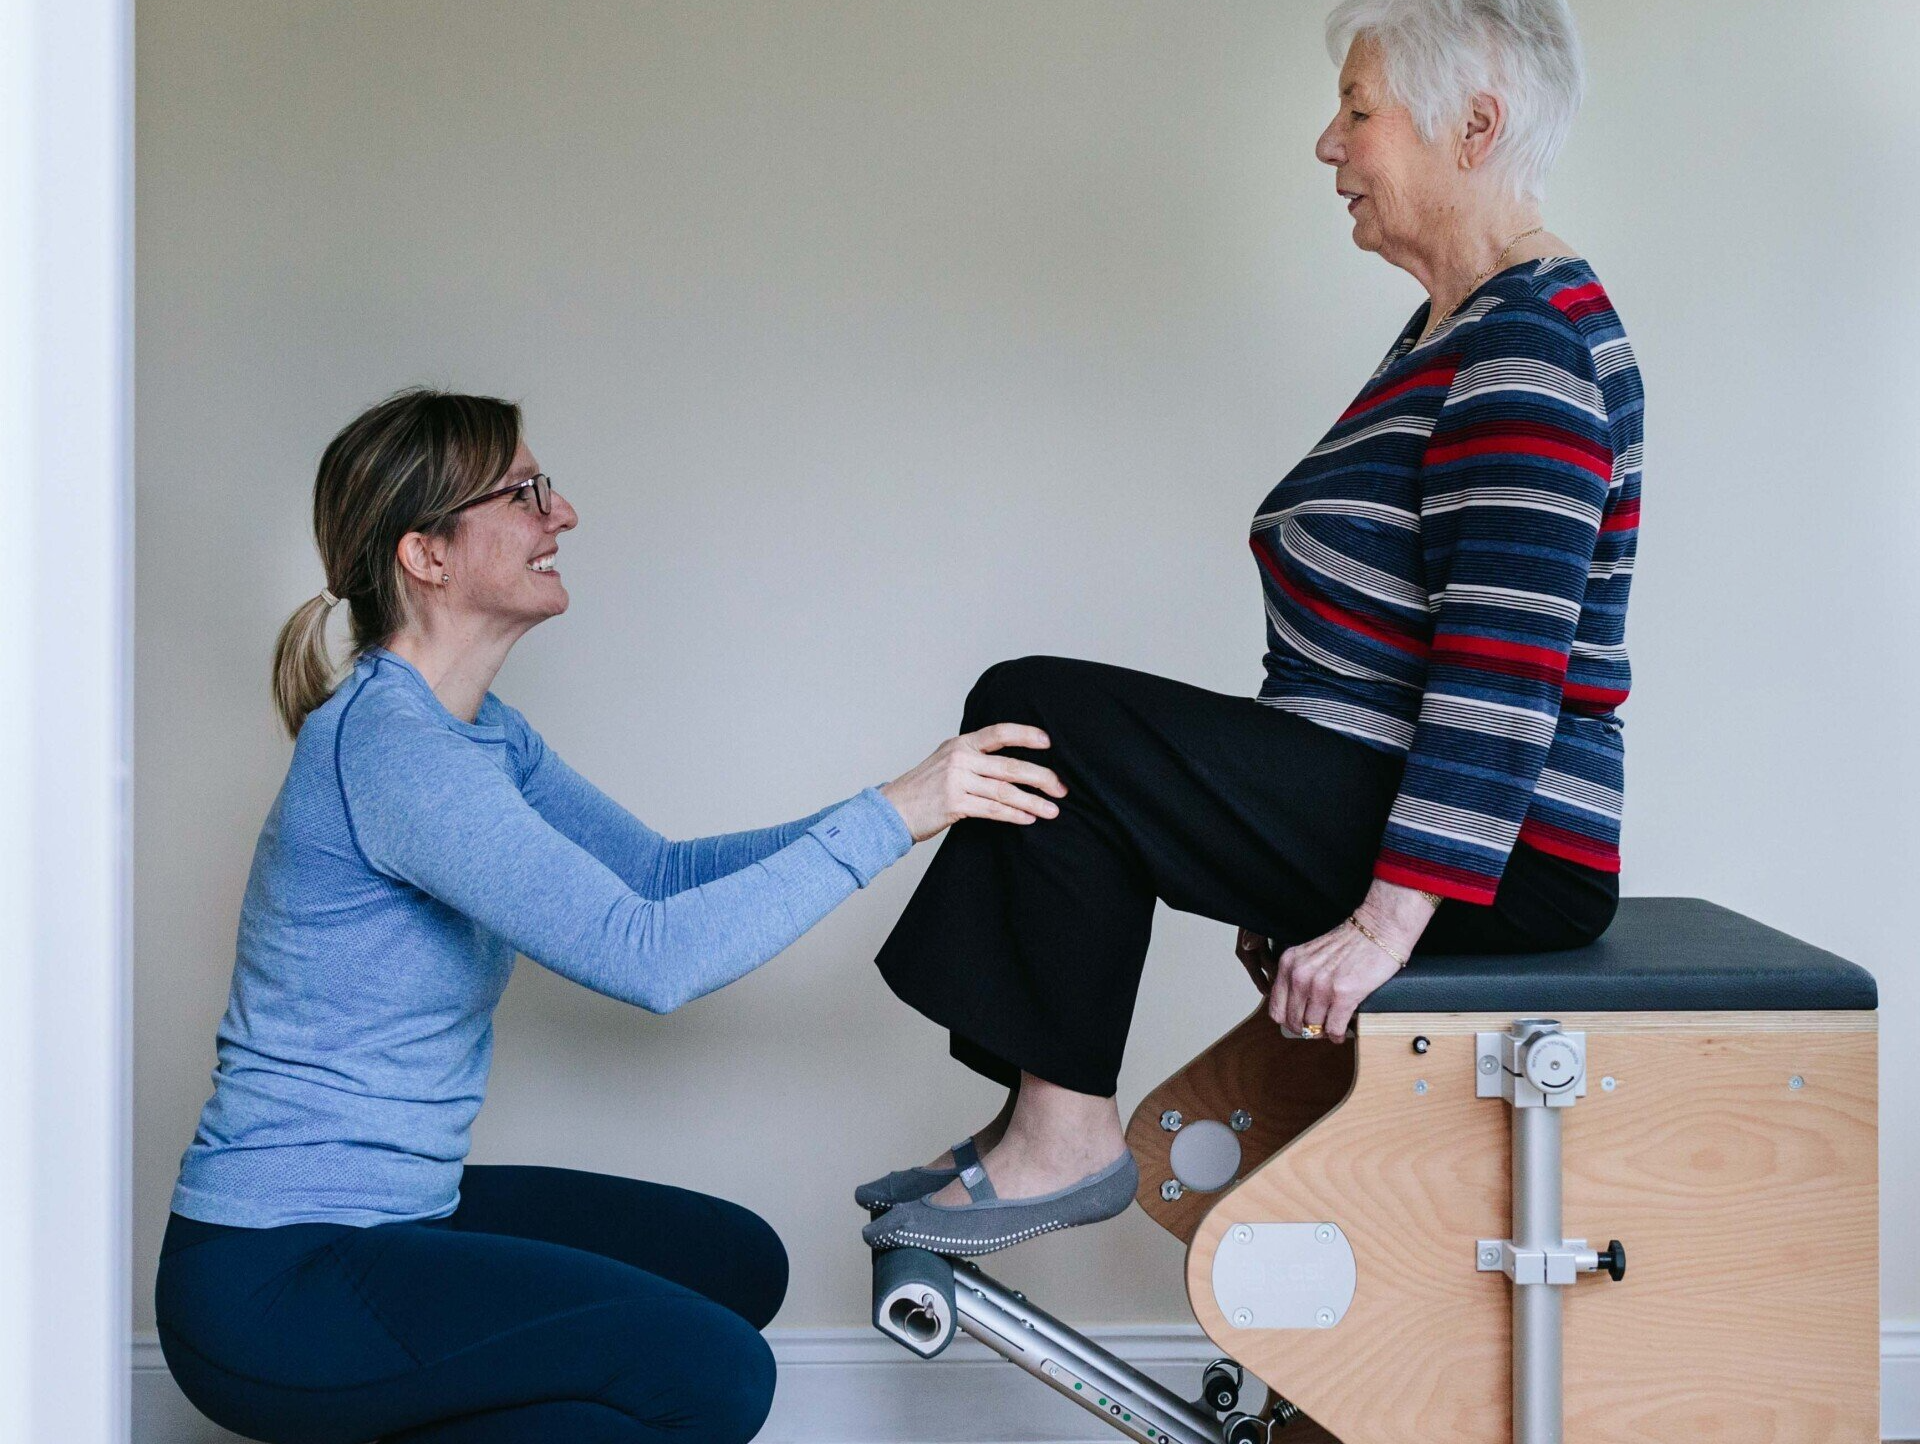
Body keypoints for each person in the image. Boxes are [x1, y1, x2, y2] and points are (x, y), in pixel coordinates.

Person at [861, 0, 1642, 1258]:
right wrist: (1259, 854)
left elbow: (1504, 674)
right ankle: (1044, 1120)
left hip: (1513, 855)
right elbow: (1375, 656)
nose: (1329, 144)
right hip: (1417, 809)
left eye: (1359, 109)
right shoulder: (1455, 329)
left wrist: (1383, 919)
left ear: (1475, 126)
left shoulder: (1527, 352)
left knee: (1045, 711)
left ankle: (1060, 1135)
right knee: (1048, 724)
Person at [155, 388, 1066, 1444]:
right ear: (427, 554)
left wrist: (913, 804)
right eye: (526, 493)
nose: (565, 513)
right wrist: (893, 815)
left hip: (398, 1212)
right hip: (274, 1277)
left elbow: (660, 878)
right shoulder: (392, 748)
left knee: (737, 1265)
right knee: (714, 1374)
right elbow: (653, 957)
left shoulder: (482, 735)